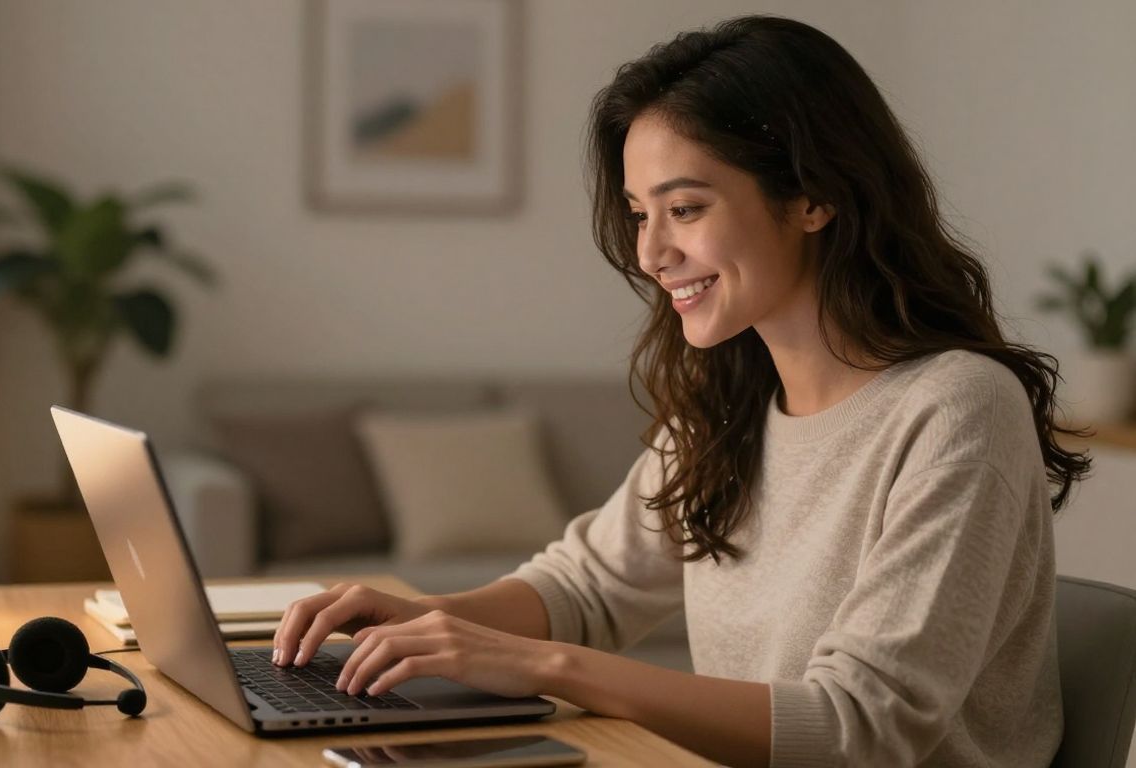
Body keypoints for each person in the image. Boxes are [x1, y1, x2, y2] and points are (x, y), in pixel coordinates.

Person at [270, 14, 1090, 767]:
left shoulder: (956, 409)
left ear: (814, 196)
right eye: (637, 214)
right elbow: (588, 587)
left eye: (685, 209)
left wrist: (545, 667)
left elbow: (860, 729)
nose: (651, 253)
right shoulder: (728, 397)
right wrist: (421, 619)